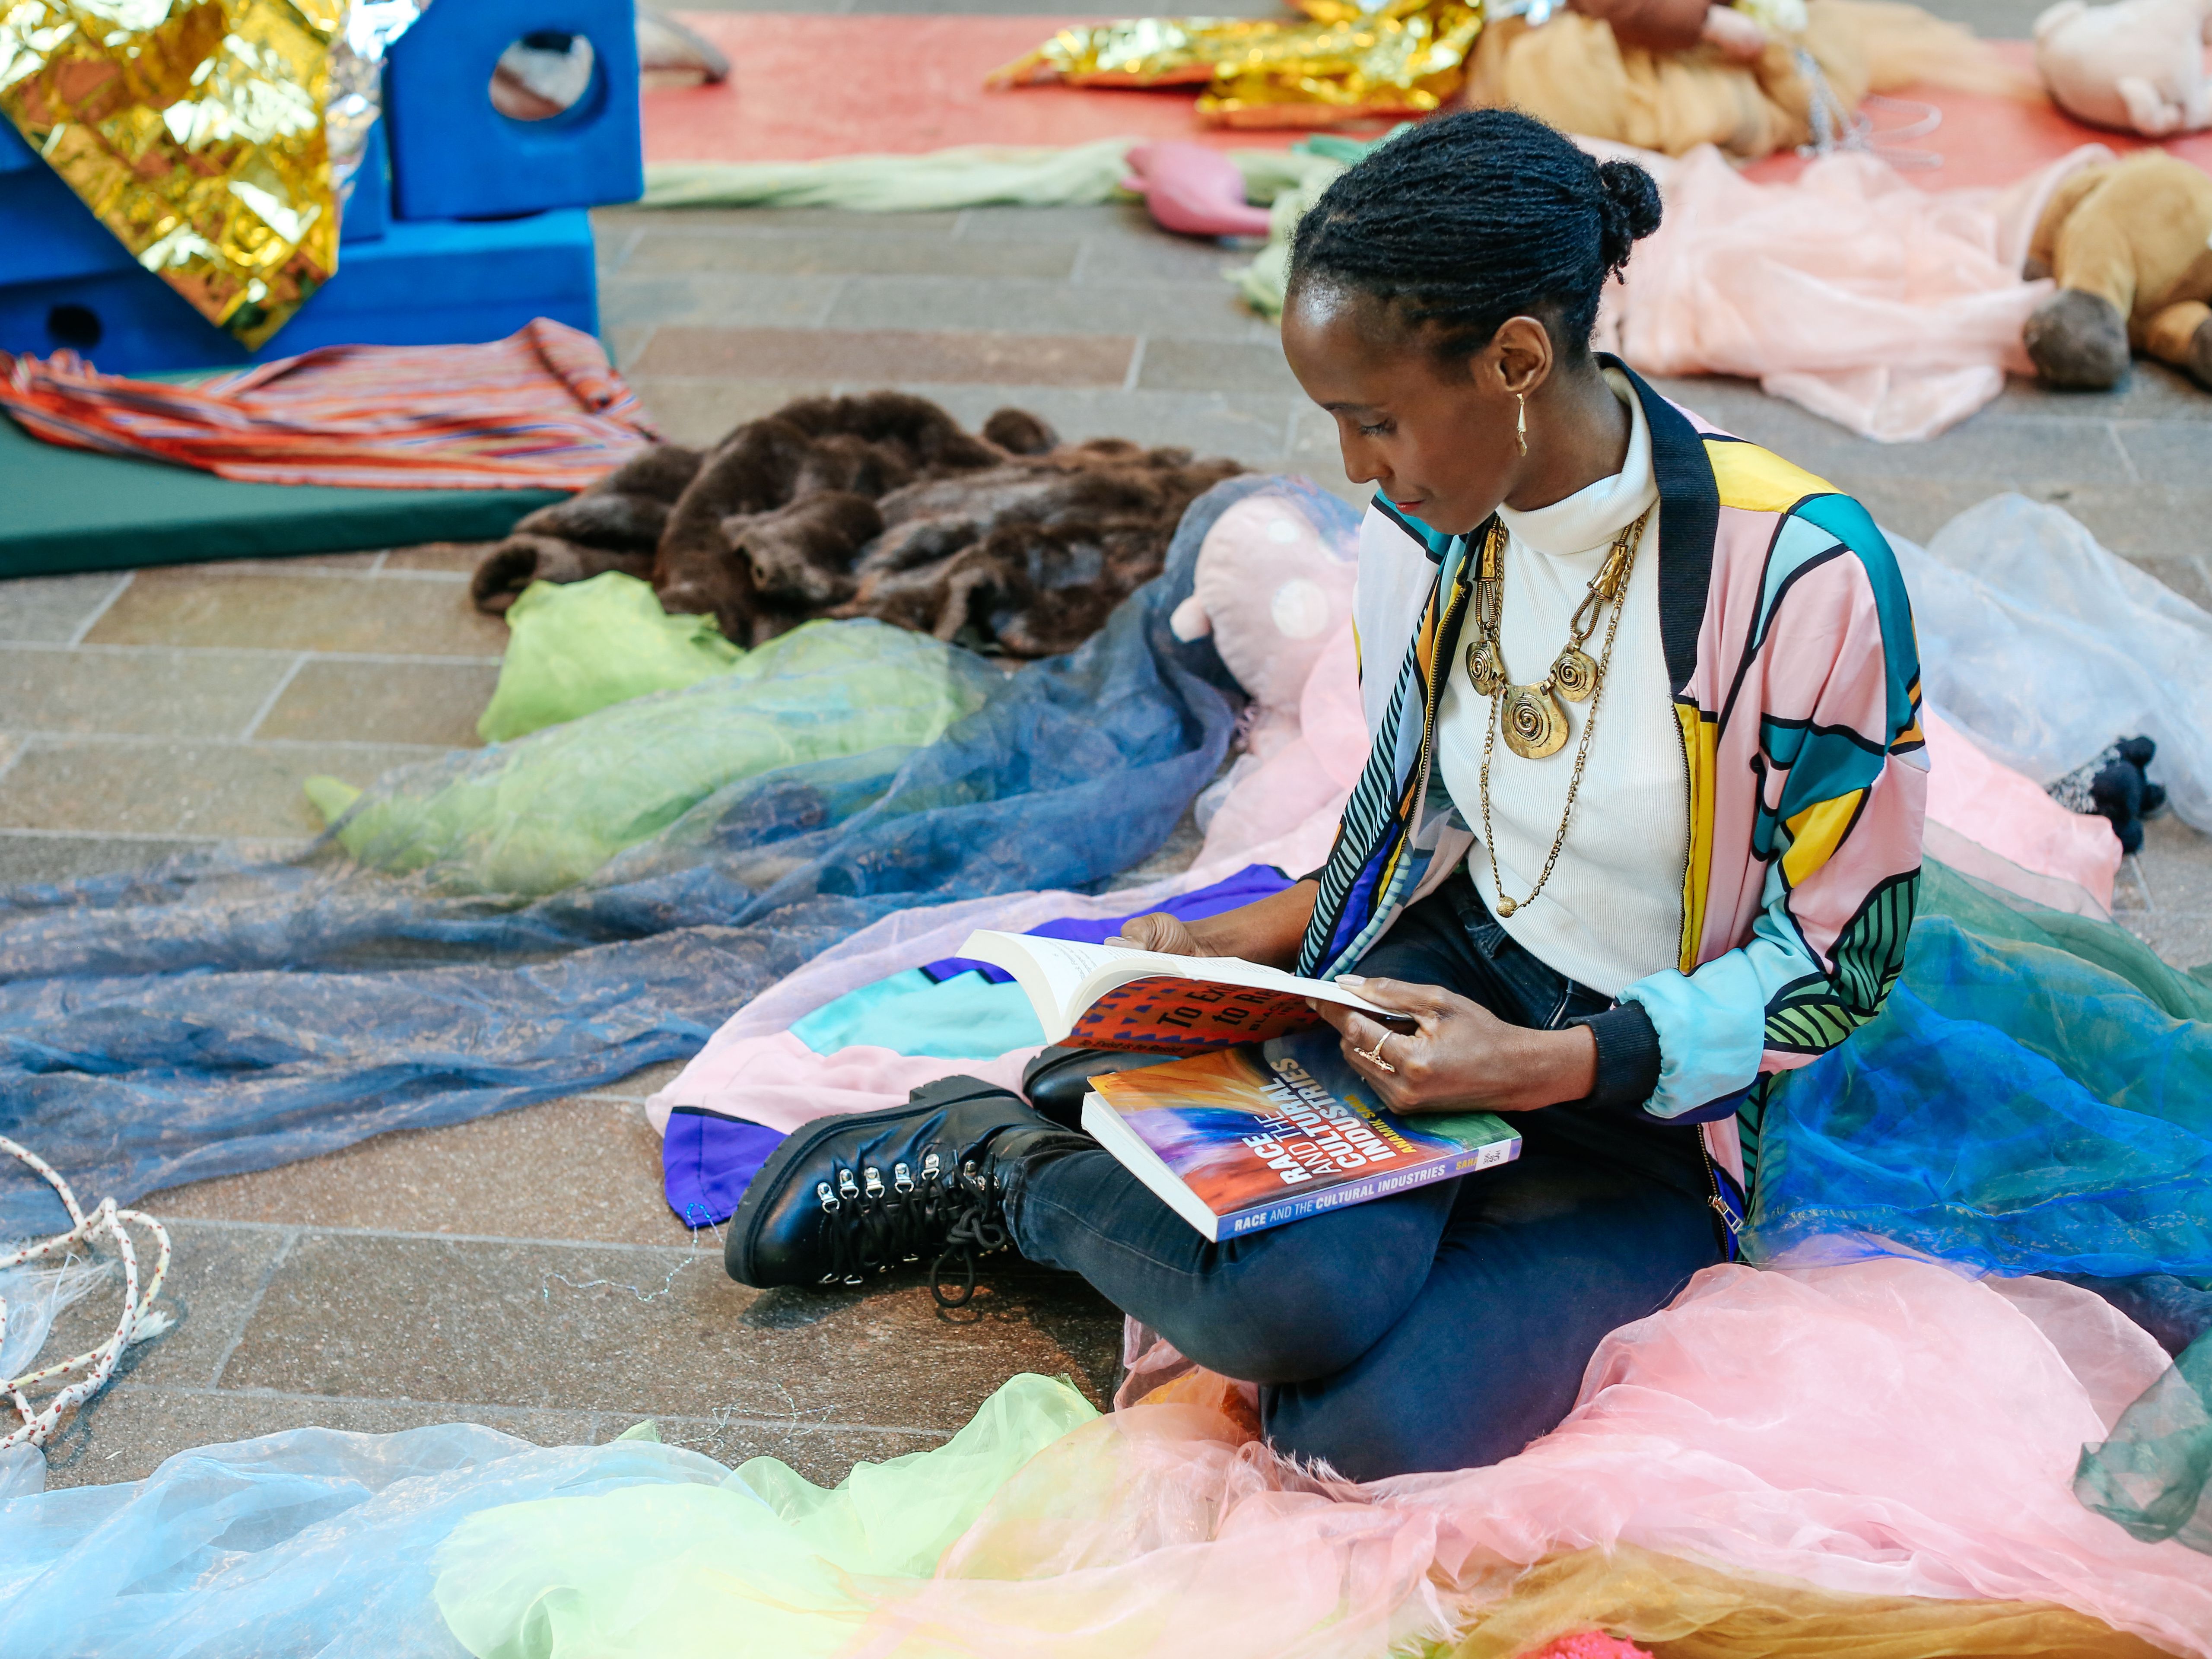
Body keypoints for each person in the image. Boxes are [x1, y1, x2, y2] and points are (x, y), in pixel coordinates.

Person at [723, 110, 1928, 1481]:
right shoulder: (1424, 536)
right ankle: (1008, 1169)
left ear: (1518, 362)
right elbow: (1403, 840)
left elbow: (1844, 963)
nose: (1358, 471)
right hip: (1425, 995)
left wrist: (1555, 1066)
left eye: (1376, 420)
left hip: (1645, 1104)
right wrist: (1219, 952)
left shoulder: (1800, 575)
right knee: (1282, 1305)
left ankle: (1250, 1211)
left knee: (1360, 1438)